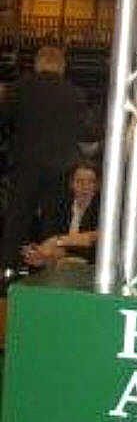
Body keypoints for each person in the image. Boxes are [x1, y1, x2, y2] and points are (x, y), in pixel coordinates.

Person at [0, 45, 95, 284]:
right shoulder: (76, 94)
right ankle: (46, 275)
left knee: (17, 220)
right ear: (62, 66)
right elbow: (86, 131)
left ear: (37, 63)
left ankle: (7, 274)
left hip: (25, 165)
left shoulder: (19, 88)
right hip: (61, 168)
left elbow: (4, 122)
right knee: (53, 222)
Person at [21, 159, 100, 269]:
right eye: (80, 181)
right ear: (71, 184)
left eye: (91, 182)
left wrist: (56, 241)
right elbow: (48, 239)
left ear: (97, 186)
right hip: (60, 265)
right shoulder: (60, 206)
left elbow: (94, 237)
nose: (85, 187)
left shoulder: (103, 208)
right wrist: (40, 254)